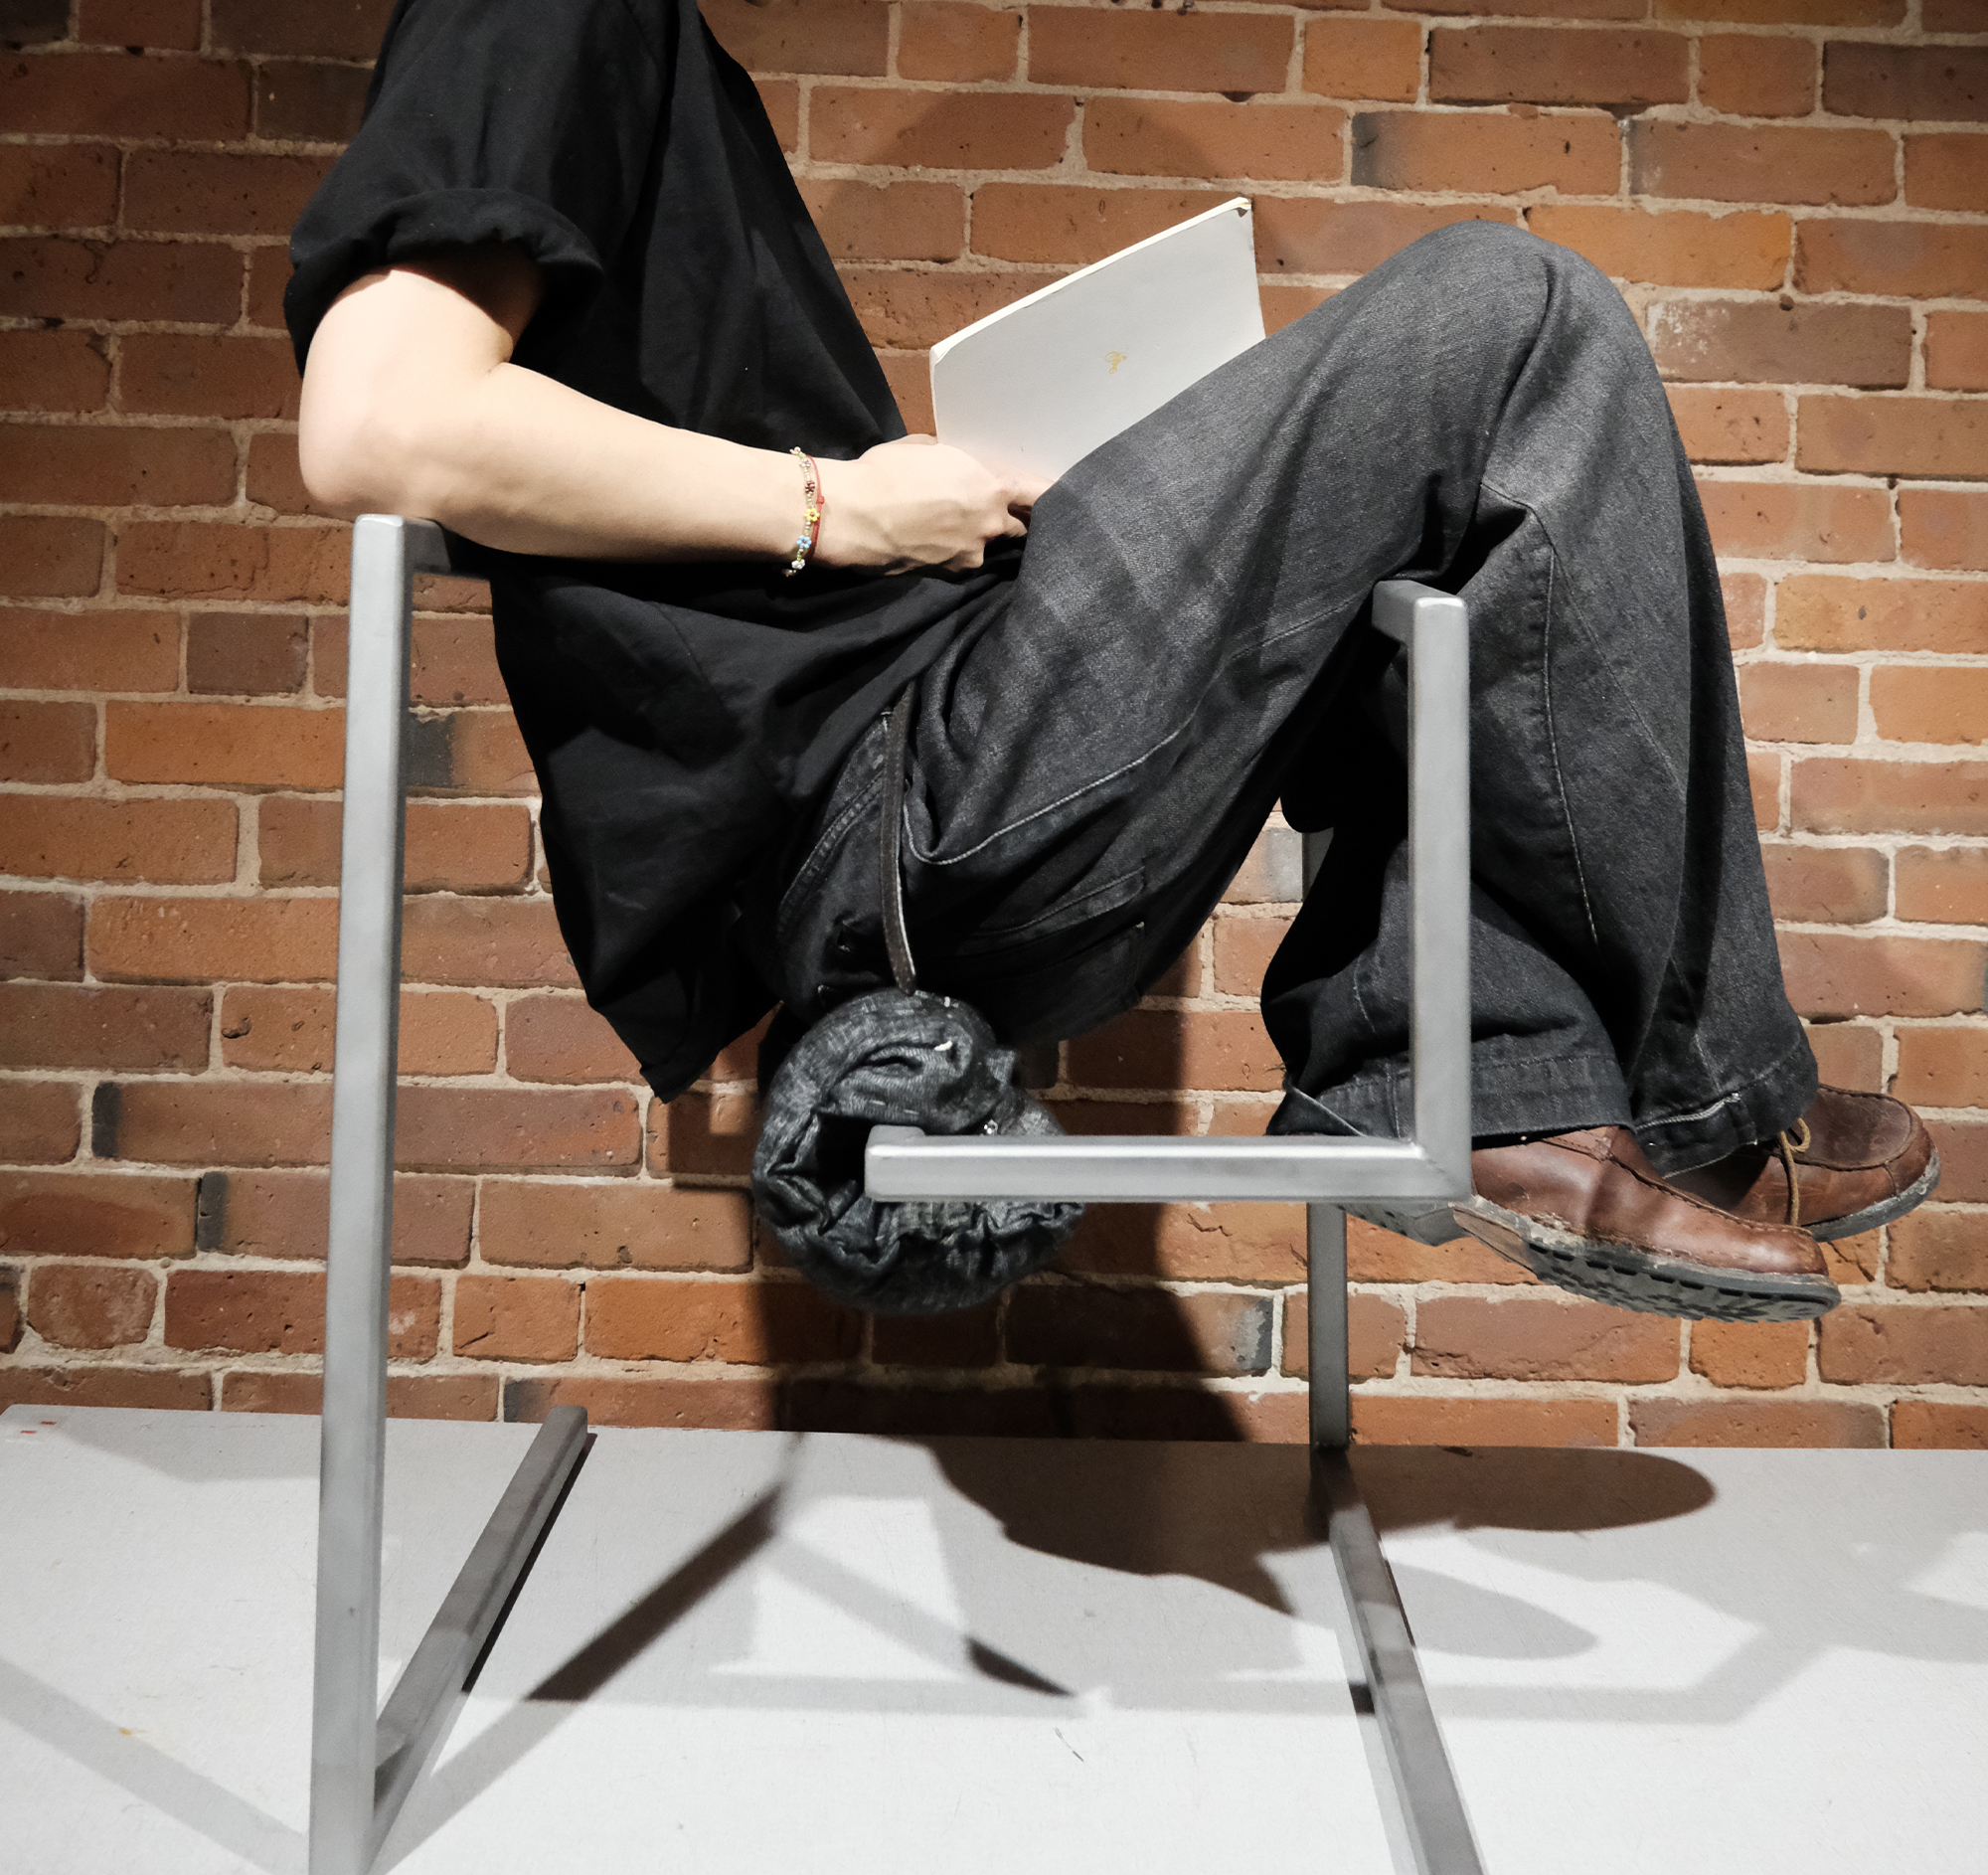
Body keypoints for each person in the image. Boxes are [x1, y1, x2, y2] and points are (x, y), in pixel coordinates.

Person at [288, 0, 1936, 1327]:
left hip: (919, 782)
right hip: (880, 821)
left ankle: (1477, 1077)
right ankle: (1715, 1115)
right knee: (1506, 315)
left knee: (1438, 504)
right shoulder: (536, 9)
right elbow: (378, 423)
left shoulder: (644, 48)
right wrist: (842, 509)